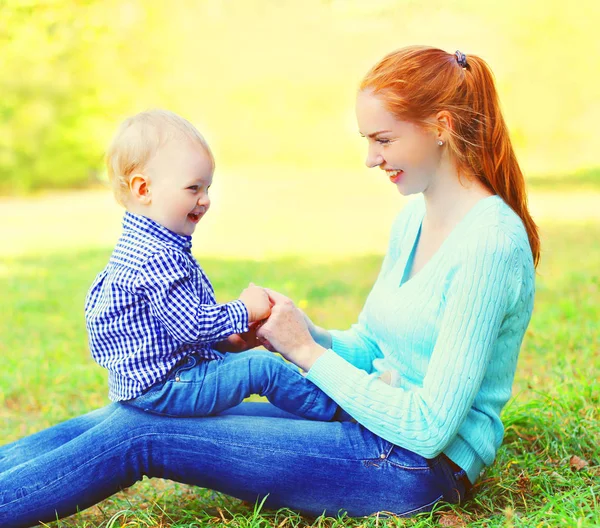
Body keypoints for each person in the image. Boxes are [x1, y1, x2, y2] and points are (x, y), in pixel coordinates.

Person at [0, 46, 539, 527]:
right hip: (369, 420)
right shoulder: (415, 220)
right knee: (131, 414)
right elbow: (375, 346)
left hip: (412, 466)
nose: (370, 158)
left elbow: (428, 430)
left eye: (382, 139)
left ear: (441, 126)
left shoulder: (489, 243)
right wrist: (299, 332)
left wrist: (306, 354)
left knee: (143, 436)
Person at [85, 109, 339, 420]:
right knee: (264, 368)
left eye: (207, 188)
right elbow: (191, 325)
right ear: (143, 189)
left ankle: (325, 404)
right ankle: (340, 412)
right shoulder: (157, 256)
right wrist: (244, 310)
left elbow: (169, 332)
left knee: (250, 364)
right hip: (167, 387)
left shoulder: (142, 246)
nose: (205, 199)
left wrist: (229, 341)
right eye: (193, 188)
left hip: (154, 383)